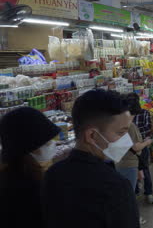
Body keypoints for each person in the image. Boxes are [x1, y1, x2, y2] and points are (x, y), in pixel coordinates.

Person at [43, 89, 140, 228]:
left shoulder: (52, 174)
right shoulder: (115, 187)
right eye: (121, 132)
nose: (126, 140)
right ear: (92, 136)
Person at [0, 107, 61, 228]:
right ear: (28, 149)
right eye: (47, 142)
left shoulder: (11, 176)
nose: (53, 144)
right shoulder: (25, 192)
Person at [126, 93, 153, 205]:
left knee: (144, 169)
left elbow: (147, 128)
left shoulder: (144, 113)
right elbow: (147, 129)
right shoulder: (125, 117)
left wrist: (135, 133)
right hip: (133, 149)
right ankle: (137, 191)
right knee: (135, 171)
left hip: (140, 147)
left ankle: (148, 192)